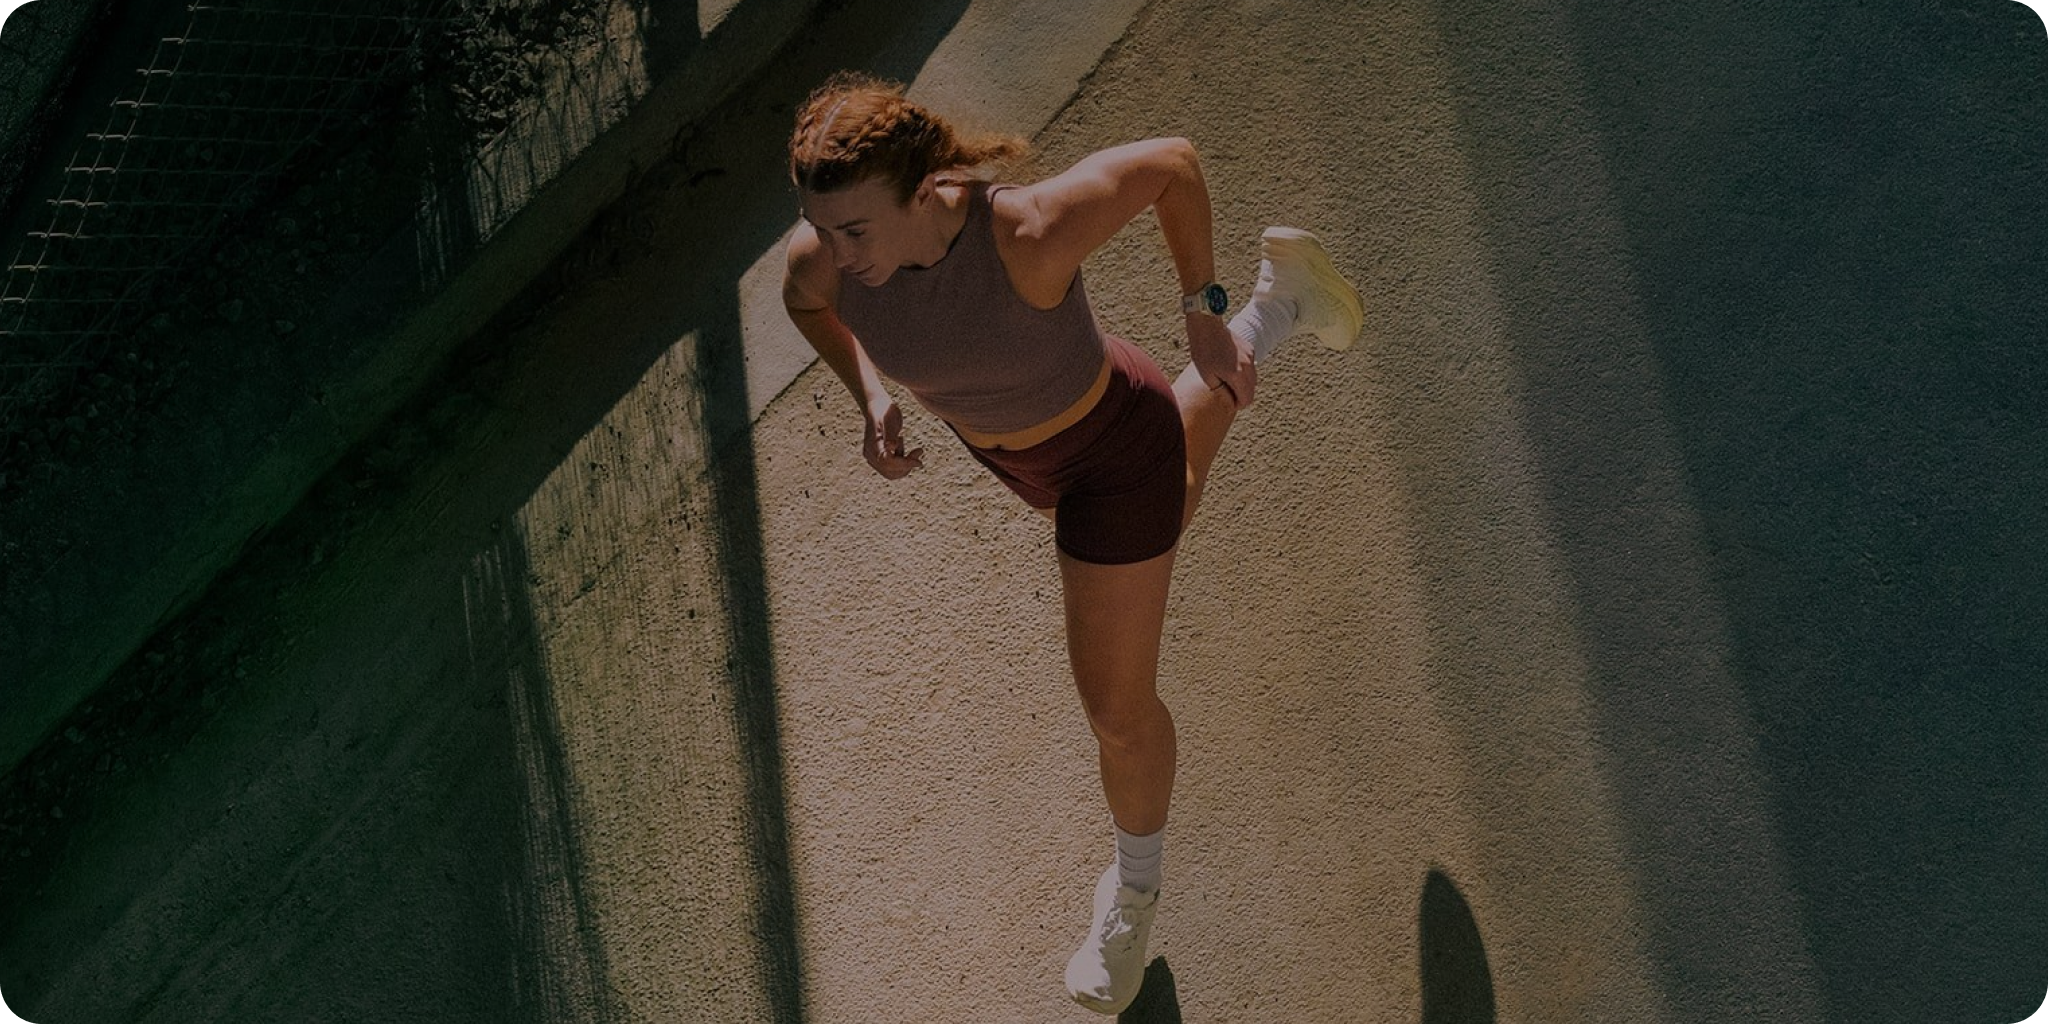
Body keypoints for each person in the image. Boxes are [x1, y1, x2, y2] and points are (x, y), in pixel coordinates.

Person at [781, 71, 1363, 1015]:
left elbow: (1172, 165)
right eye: (818, 226)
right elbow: (804, 304)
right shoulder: (829, 264)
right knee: (1173, 507)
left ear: (922, 191)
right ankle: (1285, 303)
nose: (833, 252)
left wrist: (1201, 314)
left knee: (1116, 705)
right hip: (1026, 467)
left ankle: (1131, 893)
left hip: (1107, 450)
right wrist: (873, 395)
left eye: (853, 229)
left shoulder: (1025, 234)